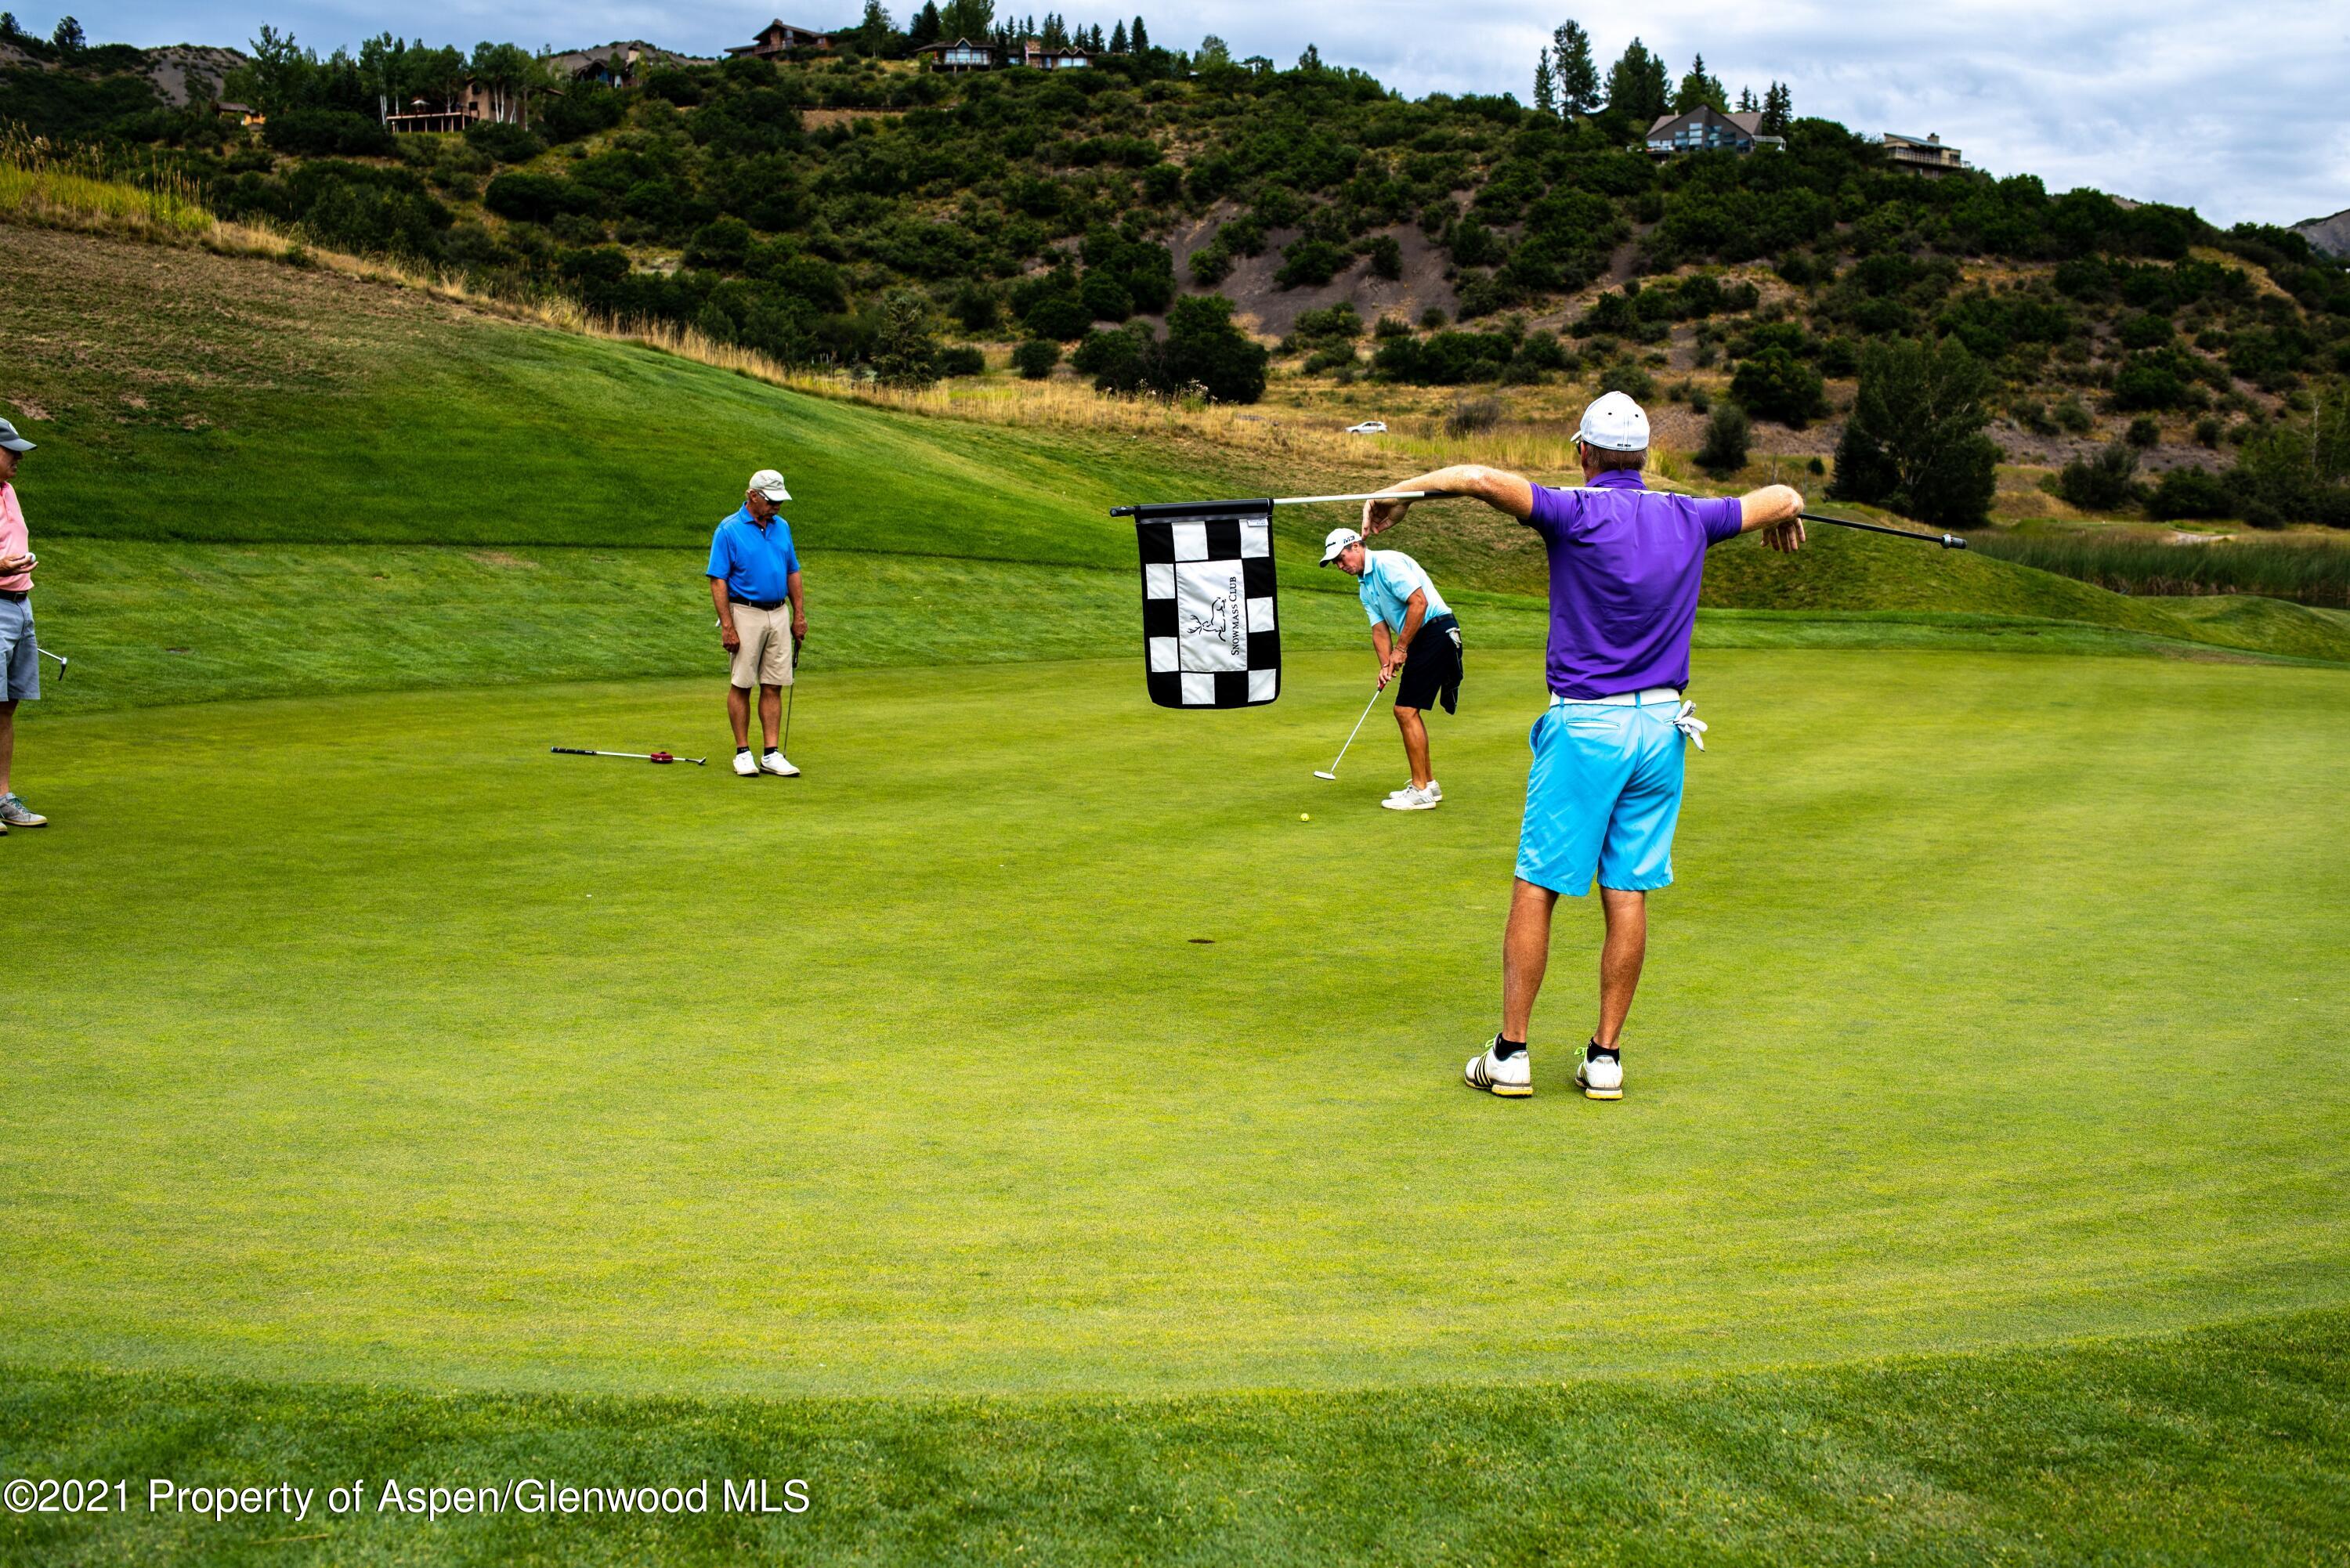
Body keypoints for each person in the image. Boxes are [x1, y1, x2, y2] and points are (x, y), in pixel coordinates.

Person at [1358, 392, 1805, 1100]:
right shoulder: (1692, 515)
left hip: (1588, 725)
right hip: (1662, 729)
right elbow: (1782, 495)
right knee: (1626, 890)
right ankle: (1605, 1059)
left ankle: (1511, 1054)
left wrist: (1400, 493)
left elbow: (1477, 479)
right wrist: (1787, 513)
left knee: (1538, 885)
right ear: (1645, 455)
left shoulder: (1573, 511)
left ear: (1585, 453)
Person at [1318, 526, 1463, 811]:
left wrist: (1401, 649)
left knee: (1405, 710)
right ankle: (1428, 784)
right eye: (1335, 563)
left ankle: (1420, 791)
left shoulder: (1387, 563)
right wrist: (1386, 665)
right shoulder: (1364, 586)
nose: (1340, 566)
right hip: (1422, 638)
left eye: (1341, 558)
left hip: (1437, 631)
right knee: (1409, 710)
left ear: (1356, 546)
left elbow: (1419, 603)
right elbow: (1379, 629)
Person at [707, 468, 808, 779]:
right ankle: (743, 753)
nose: (777, 506)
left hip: (778, 612)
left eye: (780, 501)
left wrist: (799, 615)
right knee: (742, 683)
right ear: (753, 495)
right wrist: (728, 626)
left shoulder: (782, 527)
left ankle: (771, 753)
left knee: (774, 684)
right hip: (744, 612)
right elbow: (718, 580)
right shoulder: (729, 529)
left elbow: (792, 571)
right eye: (772, 500)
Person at [0, 417, 46, 836]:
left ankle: (2, 797)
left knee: (6, 706)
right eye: (11, 450)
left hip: (19, 606)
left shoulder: (9, 492)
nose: (19, 457)